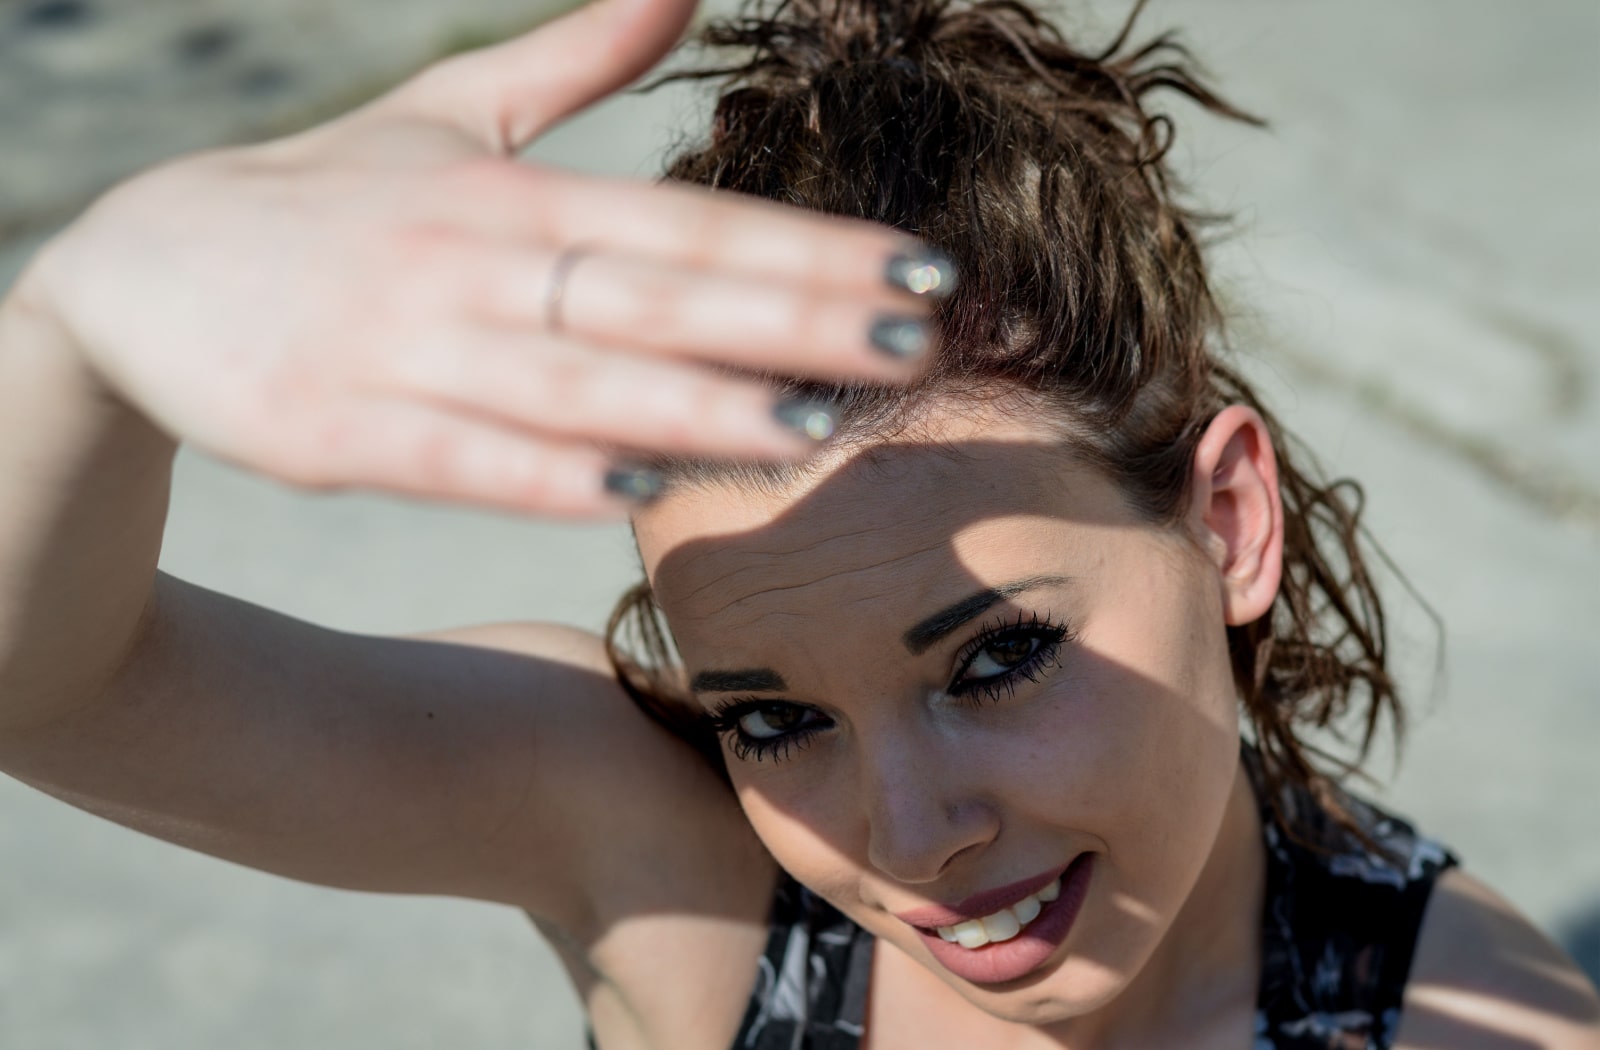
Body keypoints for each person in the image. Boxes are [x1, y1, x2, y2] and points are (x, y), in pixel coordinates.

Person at [0, 0, 1595, 1046]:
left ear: (1227, 520)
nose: (907, 837)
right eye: (773, 713)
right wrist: (79, 329)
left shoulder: (1477, 1024)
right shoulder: (677, 864)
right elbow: (48, 685)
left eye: (995, 662)